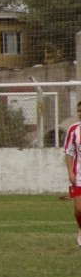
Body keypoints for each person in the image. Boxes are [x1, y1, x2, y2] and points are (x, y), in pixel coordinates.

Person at [64, 101, 81, 247]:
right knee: (78, 209)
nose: (80, 113)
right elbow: (69, 152)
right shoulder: (73, 130)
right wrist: (70, 171)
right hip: (78, 175)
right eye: (79, 111)